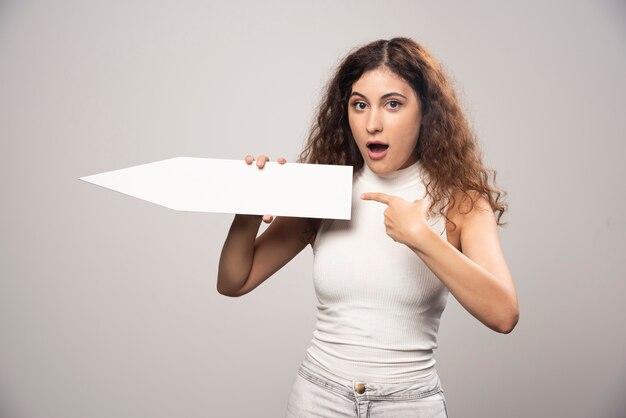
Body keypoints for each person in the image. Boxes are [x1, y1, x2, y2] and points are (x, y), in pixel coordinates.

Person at [217, 37, 519, 418]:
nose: (373, 124)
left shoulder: (460, 201)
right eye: (360, 105)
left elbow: (504, 314)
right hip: (319, 399)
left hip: (411, 404)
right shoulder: (325, 188)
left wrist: (422, 238)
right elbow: (233, 282)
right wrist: (246, 215)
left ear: (426, 112)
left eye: (393, 104)